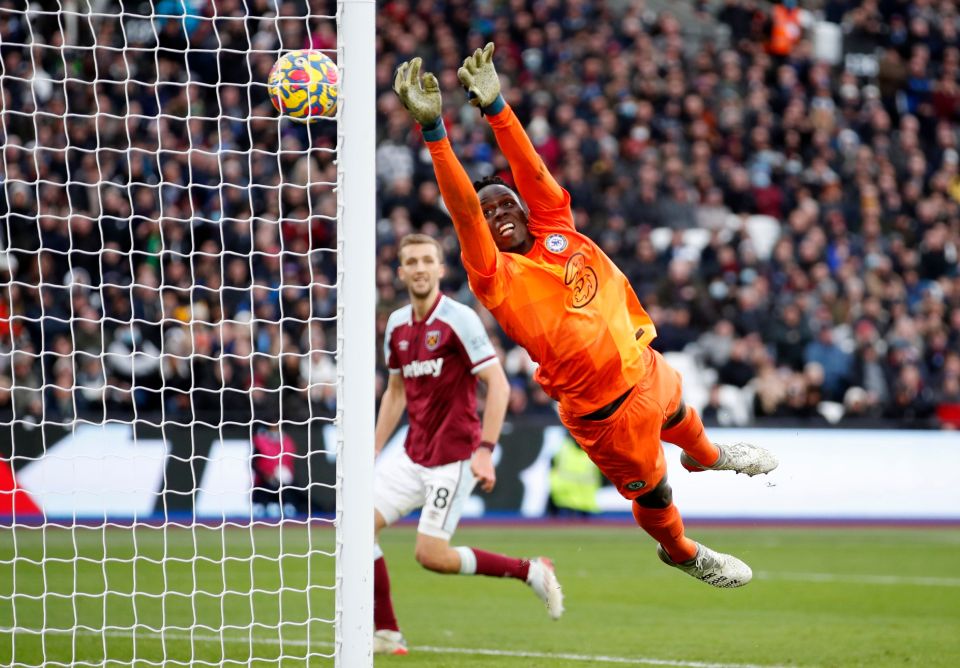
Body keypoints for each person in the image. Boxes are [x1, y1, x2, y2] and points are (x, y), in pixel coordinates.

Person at [393, 44, 778, 591]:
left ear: (526, 209)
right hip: (605, 412)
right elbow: (461, 208)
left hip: (641, 364)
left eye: (506, 205)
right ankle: (683, 552)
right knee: (656, 494)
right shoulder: (494, 275)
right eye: (489, 213)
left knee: (679, 414)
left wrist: (497, 107)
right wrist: (436, 134)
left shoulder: (557, 225)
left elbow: (531, 168)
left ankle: (712, 457)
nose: (497, 215)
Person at [373, 233, 564, 656]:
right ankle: (386, 631)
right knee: (356, 529)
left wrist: (486, 450)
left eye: (428, 260)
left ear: (440, 269)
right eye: (412, 262)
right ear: (401, 271)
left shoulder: (458, 318)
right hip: (411, 453)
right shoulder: (397, 324)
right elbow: (395, 393)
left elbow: (497, 384)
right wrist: (371, 449)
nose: (420, 268)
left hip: (454, 456)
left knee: (431, 556)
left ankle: (530, 570)